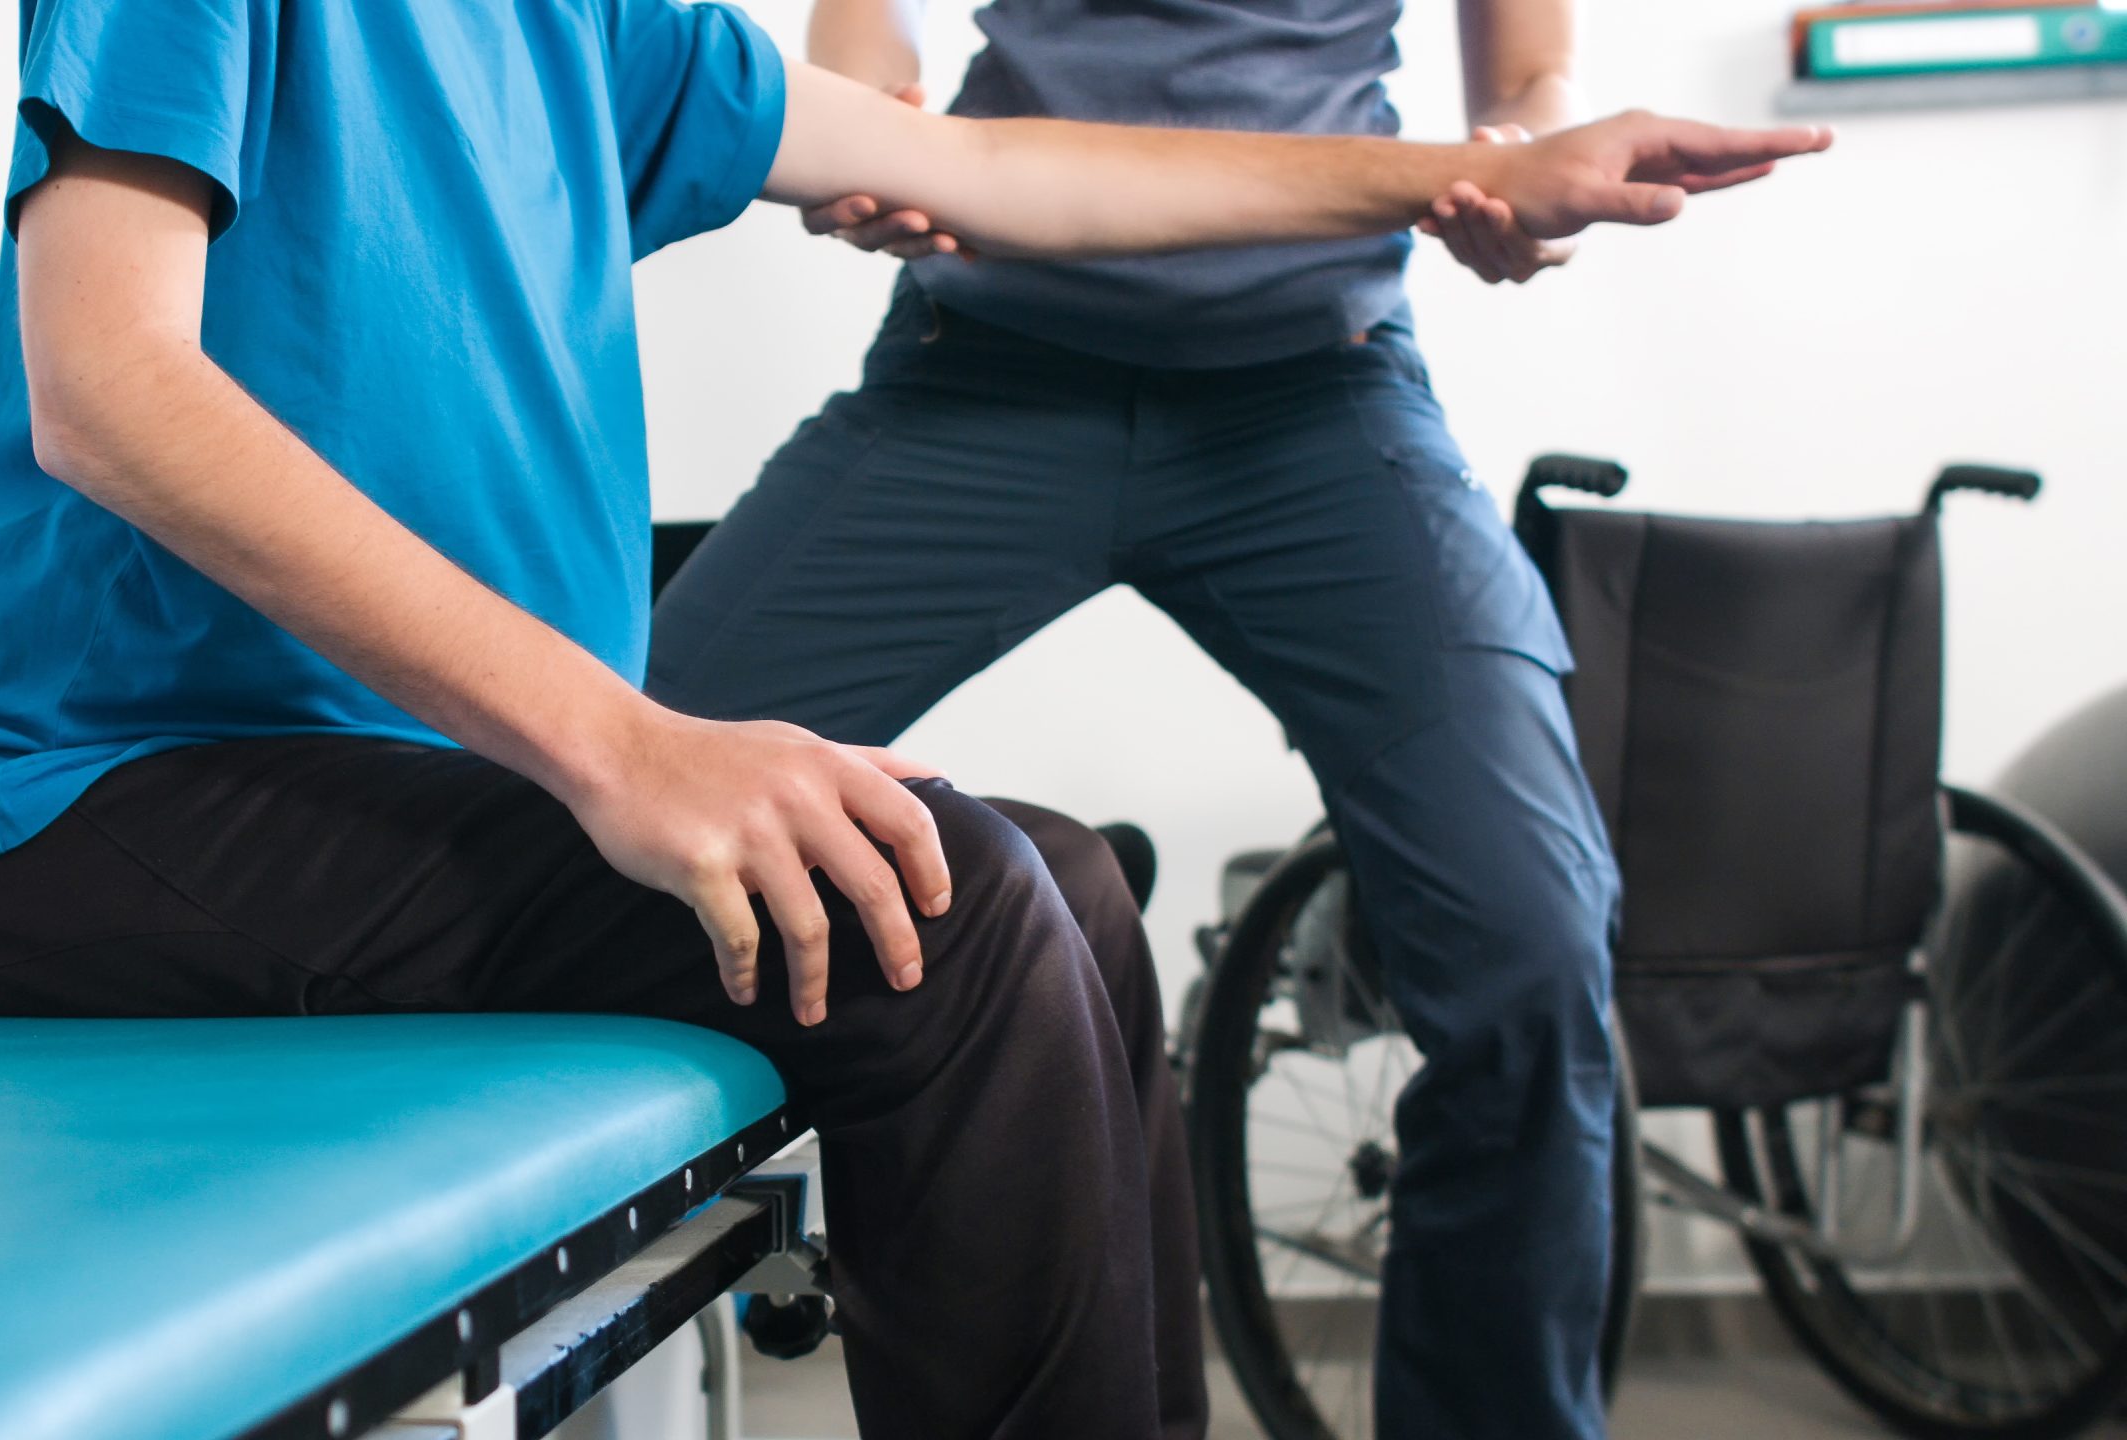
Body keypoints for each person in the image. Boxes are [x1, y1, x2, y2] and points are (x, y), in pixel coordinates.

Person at [0, 0, 1826, 1435]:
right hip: (83, 803)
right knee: (939, 904)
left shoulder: (600, 30)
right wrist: (623, 746)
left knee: (1049, 876)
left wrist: (1472, 167)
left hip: (379, 777)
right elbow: (102, 387)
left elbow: (988, 163)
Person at [645, 2, 1714, 1437]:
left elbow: (1529, 71)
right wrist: (861, 121)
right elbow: (862, 36)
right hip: (984, 367)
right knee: (576, 799)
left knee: (1531, 942)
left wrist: (1523, 163)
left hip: (1318, 395)